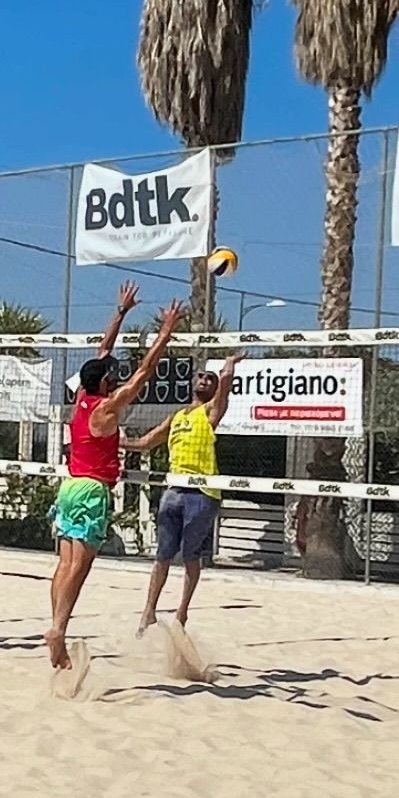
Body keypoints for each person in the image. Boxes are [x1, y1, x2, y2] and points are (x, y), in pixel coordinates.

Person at [45, 285, 184, 669]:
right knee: (80, 567)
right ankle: (58, 629)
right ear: (105, 383)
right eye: (111, 375)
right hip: (91, 490)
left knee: (63, 565)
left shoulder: (82, 399)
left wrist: (120, 312)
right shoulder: (106, 409)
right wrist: (166, 333)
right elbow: (144, 371)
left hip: (70, 485)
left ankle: (57, 628)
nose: (114, 374)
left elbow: (101, 352)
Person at [125, 352, 241, 632]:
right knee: (163, 554)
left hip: (201, 492)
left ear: (214, 389)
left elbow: (225, 381)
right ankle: (149, 611)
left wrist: (228, 363)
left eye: (208, 379)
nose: (203, 380)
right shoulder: (177, 416)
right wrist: (113, 441)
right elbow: (144, 443)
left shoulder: (211, 412)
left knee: (190, 555)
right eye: (200, 377)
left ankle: (182, 612)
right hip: (175, 489)